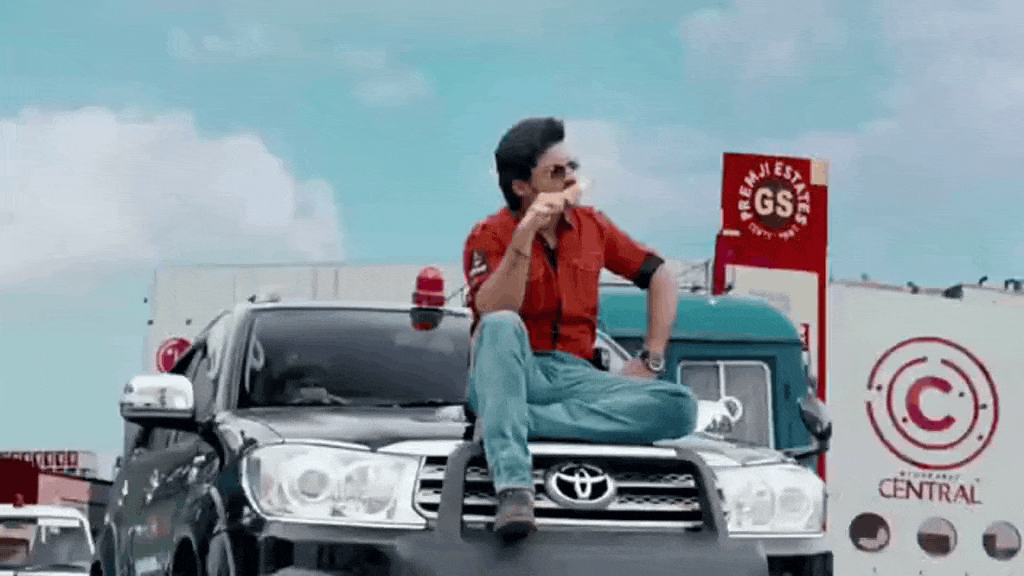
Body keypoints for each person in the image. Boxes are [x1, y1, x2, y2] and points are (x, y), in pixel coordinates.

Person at [462, 117, 698, 541]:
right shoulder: (488, 235)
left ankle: (511, 420)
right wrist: (525, 233)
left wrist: (652, 357)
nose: (571, 178)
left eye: (572, 167)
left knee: (679, 406)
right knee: (501, 324)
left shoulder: (593, 226)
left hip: (575, 375)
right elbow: (495, 306)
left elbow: (660, 274)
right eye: (556, 172)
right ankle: (514, 489)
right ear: (522, 187)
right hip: (511, 372)